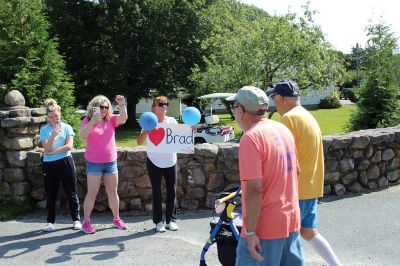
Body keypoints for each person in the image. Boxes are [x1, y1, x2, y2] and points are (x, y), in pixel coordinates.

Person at [226, 86, 304, 266]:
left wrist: (251, 232)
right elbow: (297, 171)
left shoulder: (251, 138)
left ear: (241, 110)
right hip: (290, 219)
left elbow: (254, 188)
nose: (234, 111)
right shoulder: (282, 129)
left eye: (234, 106)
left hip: (265, 228)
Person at [271, 80, 342, 266]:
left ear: (280, 98)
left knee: (287, 238)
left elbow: (283, 157)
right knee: (308, 231)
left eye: (273, 97)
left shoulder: (288, 119)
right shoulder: (307, 116)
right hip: (310, 186)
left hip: (296, 189)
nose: (273, 102)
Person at [80, 95, 127, 234]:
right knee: (92, 193)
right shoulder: (87, 120)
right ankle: (86, 222)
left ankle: (116, 218)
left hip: (110, 162)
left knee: (113, 192)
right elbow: (83, 135)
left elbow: (123, 118)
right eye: (101, 107)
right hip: (94, 163)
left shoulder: (111, 120)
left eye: (106, 107)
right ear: (94, 107)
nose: (104, 109)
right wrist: (92, 122)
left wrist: (122, 104)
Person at [137, 96, 179, 233]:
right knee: (157, 192)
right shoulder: (149, 120)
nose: (164, 106)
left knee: (172, 191)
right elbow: (139, 142)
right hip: (154, 161)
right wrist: (144, 132)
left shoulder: (172, 121)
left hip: (170, 160)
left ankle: (171, 220)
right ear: (154, 106)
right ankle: (158, 221)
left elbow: (180, 137)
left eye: (166, 104)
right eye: (161, 104)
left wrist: (192, 131)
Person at [39, 99, 81, 232]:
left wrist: (53, 152)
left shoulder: (67, 127)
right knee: (51, 193)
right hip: (49, 164)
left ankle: (76, 220)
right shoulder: (44, 129)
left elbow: (69, 146)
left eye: (56, 116)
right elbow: (46, 149)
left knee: (71, 191)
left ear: (60, 114)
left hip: (65, 161)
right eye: (51, 117)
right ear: (48, 118)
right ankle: (50, 222)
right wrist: (53, 136)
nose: (54, 119)